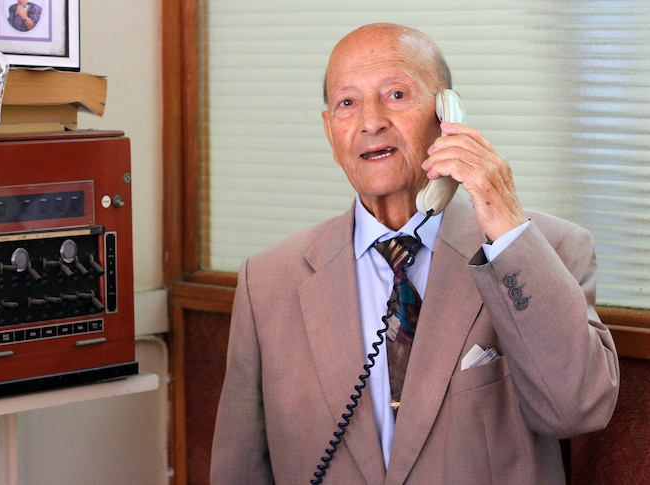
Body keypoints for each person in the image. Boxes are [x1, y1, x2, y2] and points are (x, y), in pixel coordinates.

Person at [210, 23, 619, 484]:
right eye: (347, 103)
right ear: (330, 131)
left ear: (447, 113)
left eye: (396, 95)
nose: (370, 121)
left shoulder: (546, 249)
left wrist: (503, 224)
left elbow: (576, 408)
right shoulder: (267, 281)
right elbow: (239, 468)